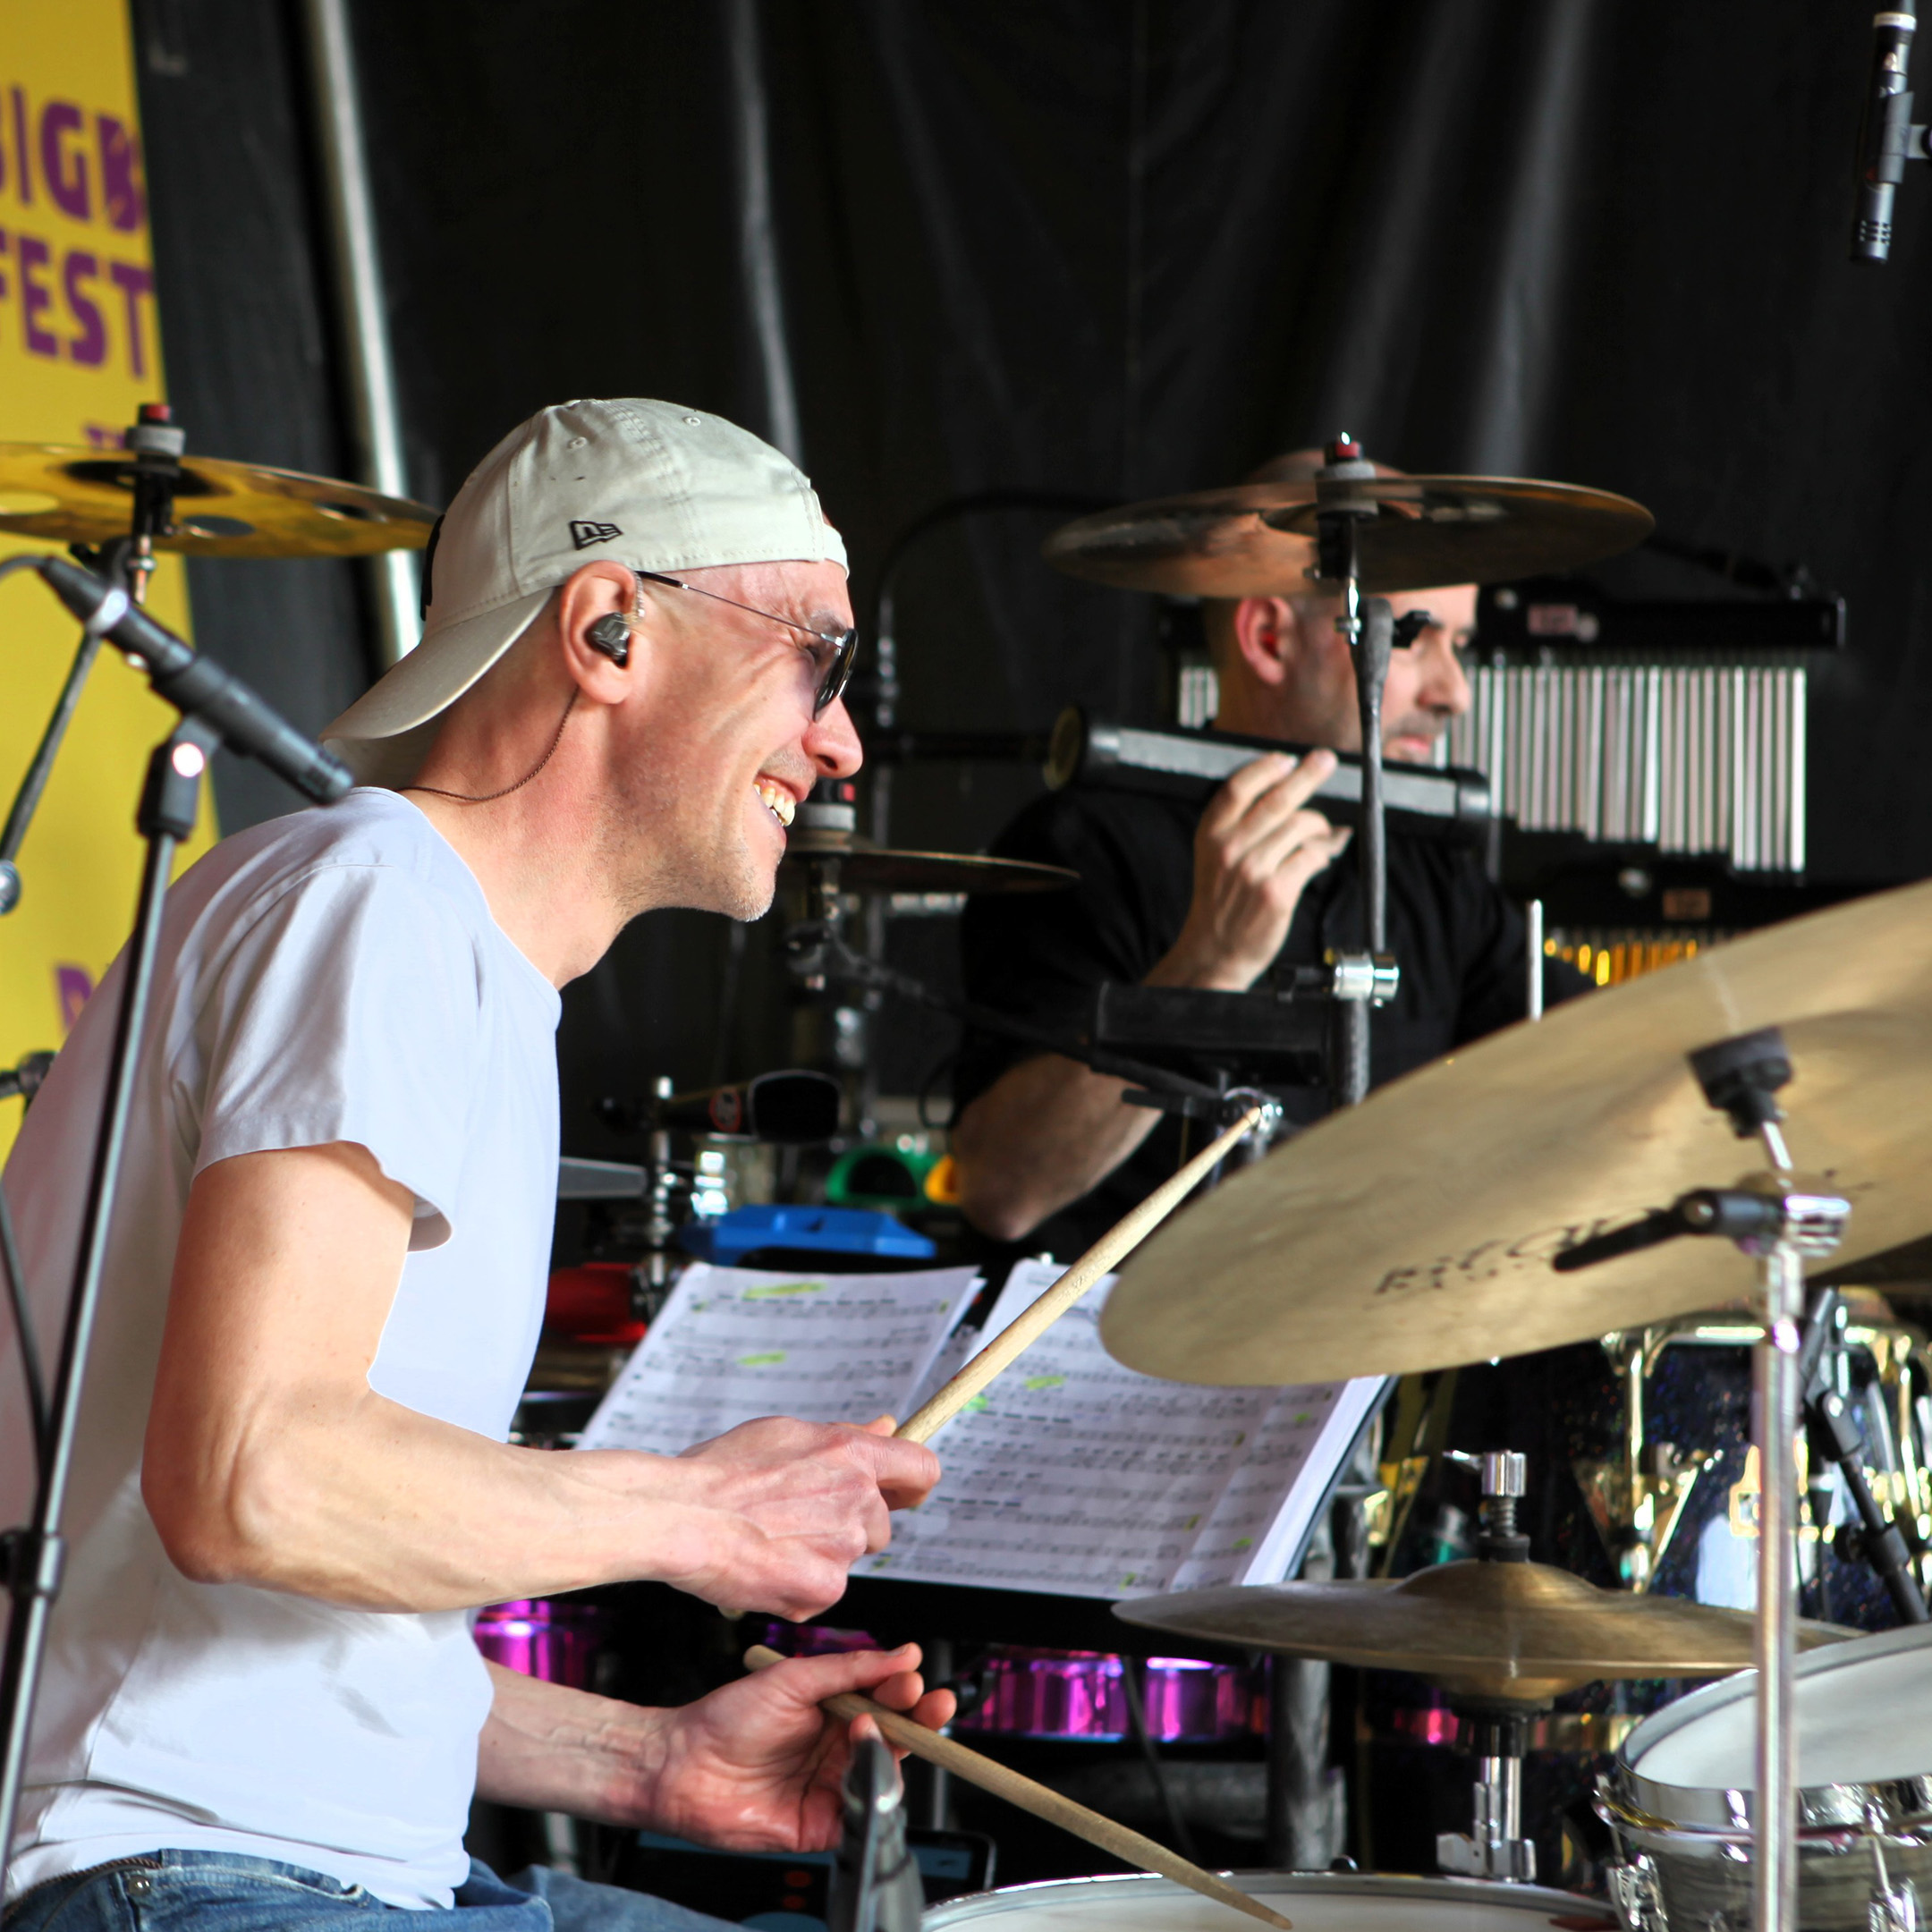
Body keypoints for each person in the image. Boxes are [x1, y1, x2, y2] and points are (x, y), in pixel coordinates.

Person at [0, 401, 953, 1932]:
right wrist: (698, 1516)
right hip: (172, 1875)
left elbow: (292, 1632)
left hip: (328, 1864)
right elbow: (252, 1482)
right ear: (608, 630)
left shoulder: (454, 957)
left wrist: (653, 1766)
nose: (840, 742)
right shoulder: (370, 902)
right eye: (816, 660)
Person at [951, 447, 1583, 1253]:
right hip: (1114, 1357)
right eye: (1417, 637)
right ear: (1268, 638)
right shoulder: (1084, 847)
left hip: (1357, 1362)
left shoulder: (1427, 866)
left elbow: (1592, 1052)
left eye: (1462, 645)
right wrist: (1205, 965)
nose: (1454, 692)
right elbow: (1002, 1189)